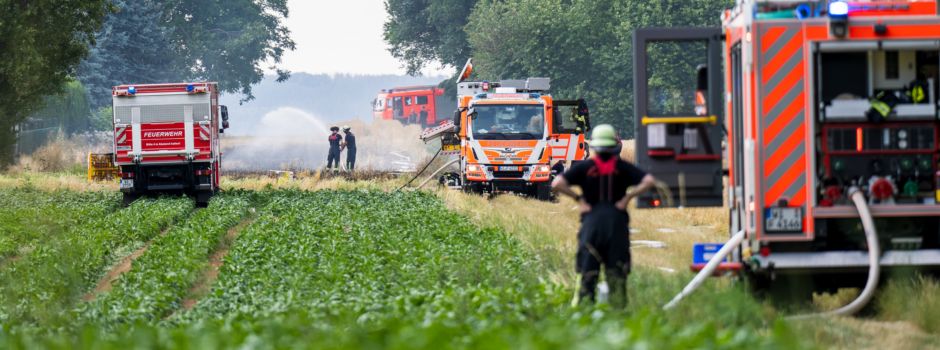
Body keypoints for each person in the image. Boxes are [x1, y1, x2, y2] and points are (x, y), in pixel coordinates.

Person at [551, 124, 656, 307]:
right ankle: (618, 312)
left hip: (592, 224)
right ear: (615, 145)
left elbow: (557, 183)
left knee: (587, 273)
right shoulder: (623, 167)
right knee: (616, 275)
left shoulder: (586, 167)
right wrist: (627, 198)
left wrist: (580, 200)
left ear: (595, 146)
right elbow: (649, 181)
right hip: (617, 224)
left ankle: (584, 311)